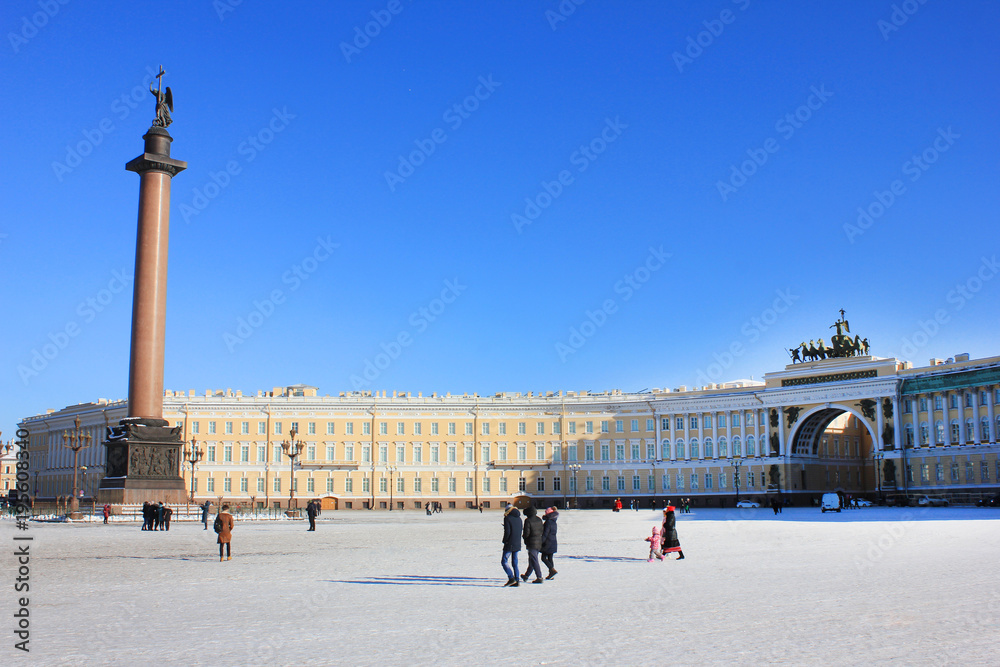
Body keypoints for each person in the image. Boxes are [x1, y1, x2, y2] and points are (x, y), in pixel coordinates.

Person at [520, 506, 544, 584]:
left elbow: (526, 533)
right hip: (539, 542)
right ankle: (526, 575)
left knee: (534, 560)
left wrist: (525, 539)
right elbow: (542, 530)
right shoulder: (539, 519)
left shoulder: (528, 521)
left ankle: (539, 577)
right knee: (532, 560)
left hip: (531, 542)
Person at [501, 503, 522, 587]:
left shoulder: (507, 518)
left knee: (504, 561)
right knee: (515, 562)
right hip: (517, 542)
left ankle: (511, 578)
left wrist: (505, 541)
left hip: (510, 543)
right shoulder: (519, 518)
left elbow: (508, 532)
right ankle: (517, 580)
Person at [540, 506, 558, 579]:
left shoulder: (548, 522)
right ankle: (551, 574)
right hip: (553, 541)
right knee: (550, 558)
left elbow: (545, 534)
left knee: (543, 558)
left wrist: (541, 542)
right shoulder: (554, 521)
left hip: (547, 542)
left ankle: (552, 570)